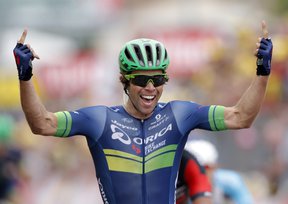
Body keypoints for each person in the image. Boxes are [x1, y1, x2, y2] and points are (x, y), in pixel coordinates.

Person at [12, 21, 273, 204]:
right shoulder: (99, 119)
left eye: (158, 80)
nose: (150, 88)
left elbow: (241, 117)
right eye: (141, 80)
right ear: (124, 80)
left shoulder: (179, 114)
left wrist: (262, 72)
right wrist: (26, 77)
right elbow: (42, 124)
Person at [184, 140, 254, 204]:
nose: (197, 172)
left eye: (204, 168)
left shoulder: (231, 181)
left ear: (214, 167)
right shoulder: (180, 187)